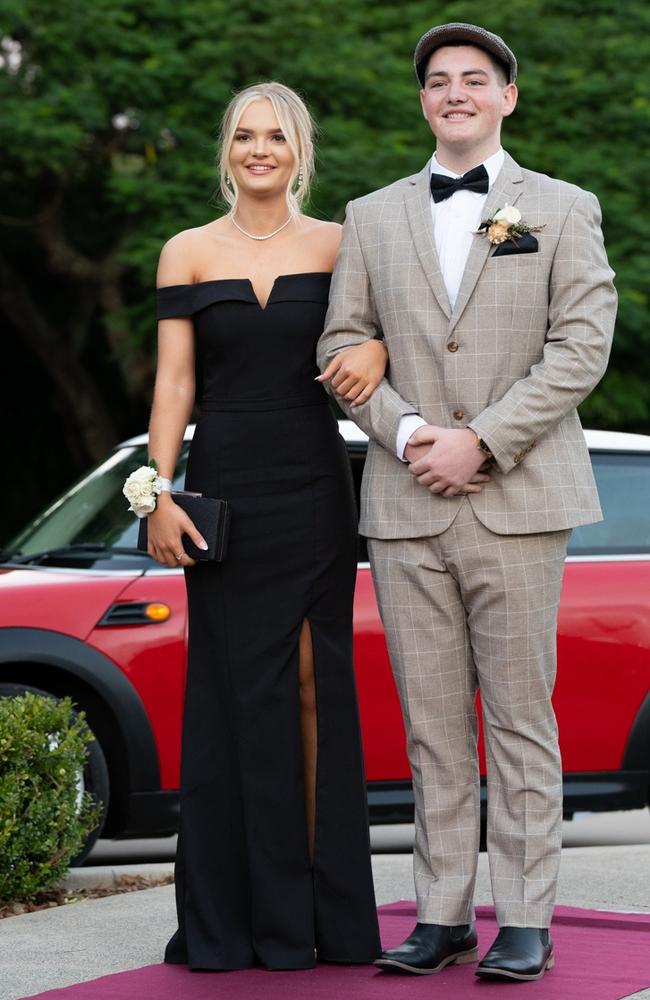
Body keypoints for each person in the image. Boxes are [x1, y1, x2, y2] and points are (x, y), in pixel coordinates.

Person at [318, 22, 616, 983]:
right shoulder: (370, 215)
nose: (455, 93)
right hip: (405, 507)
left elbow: (580, 346)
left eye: (474, 80)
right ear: (423, 103)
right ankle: (441, 912)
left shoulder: (564, 209)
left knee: (523, 717)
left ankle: (525, 916)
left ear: (507, 98)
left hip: (520, 498)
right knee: (432, 724)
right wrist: (408, 437)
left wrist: (479, 438)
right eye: (438, 81)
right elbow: (342, 347)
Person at [145, 81, 384, 971]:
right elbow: (175, 383)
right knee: (232, 696)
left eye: (274, 137)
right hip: (222, 493)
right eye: (244, 136)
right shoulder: (187, 251)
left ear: (298, 150)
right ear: (227, 150)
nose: (258, 150)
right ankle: (237, 917)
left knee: (317, 689)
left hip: (314, 487)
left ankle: (323, 915)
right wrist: (157, 491)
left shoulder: (342, 242)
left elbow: (376, 332)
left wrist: (377, 349)